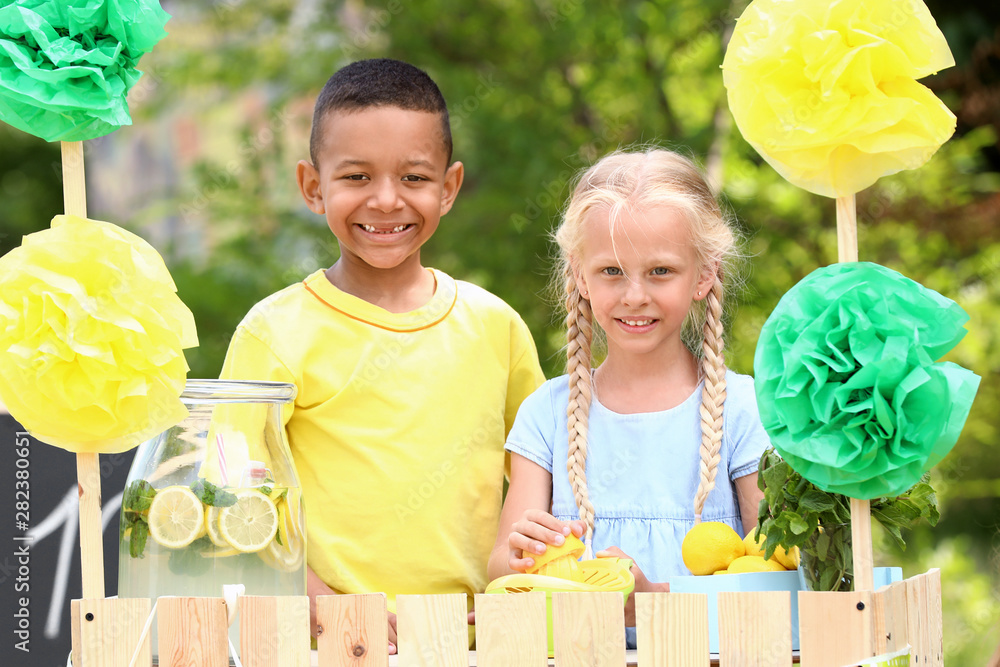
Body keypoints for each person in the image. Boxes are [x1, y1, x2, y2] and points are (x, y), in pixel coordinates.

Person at [221, 58, 545, 653]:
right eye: (357, 177)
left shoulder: (495, 326)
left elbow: (543, 483)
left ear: (448, 188)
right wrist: (323, 605)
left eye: (415, 179)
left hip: (475, 643)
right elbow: (234, 495)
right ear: (313, 187)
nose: (387, 201)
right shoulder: (274, 332)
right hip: (323, 643)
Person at [487, 147, 770, 646]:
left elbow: (778, 578)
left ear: (704, 274)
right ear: (579, 274)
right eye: (611, 272)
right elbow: (500, 572)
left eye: (660, 271)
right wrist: (519, 552)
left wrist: (652, 601)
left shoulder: (744, 410)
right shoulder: (546, 414)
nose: (634, 295)